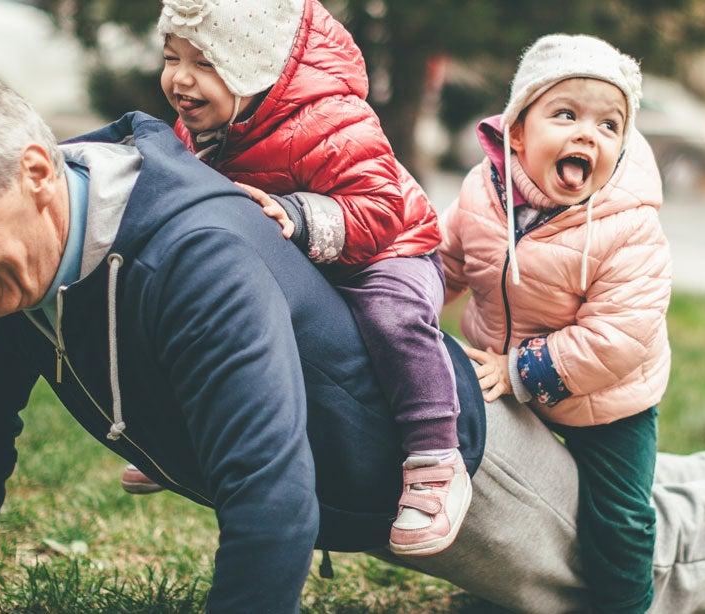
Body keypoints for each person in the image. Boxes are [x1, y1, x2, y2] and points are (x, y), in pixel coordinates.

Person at [0, 67, 705, 614]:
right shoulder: (9, 253)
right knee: (623, 501)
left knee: (645, 563)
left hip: (447, 458)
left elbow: (270, 505)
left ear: (39, 174)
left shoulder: (191, 258)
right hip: (384, 456)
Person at [129, 0, 469, 556]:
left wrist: (302, 215)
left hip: (387, 249)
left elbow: (380, 206)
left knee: (391, 317)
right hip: (300, 254)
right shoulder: (203, 127)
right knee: (211, 308)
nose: (180, 79)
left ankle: (435, 456)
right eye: (172, 57)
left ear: (255, 66)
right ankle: (185, 433)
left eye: (206, 63)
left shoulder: (332, 118)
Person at [440, 33, 664, 612]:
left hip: (607, 397)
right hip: (505, 374)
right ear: (517, 130)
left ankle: (623, 603)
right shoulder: (482, 194)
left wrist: (520, 371)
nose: (588, 133)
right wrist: (403, 303)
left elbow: (619, 336)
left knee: (619, 518)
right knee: (503, 497)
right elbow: (446, 261)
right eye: (565, 114)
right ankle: (510, 591)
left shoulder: (628, 225)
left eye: (610, 125)